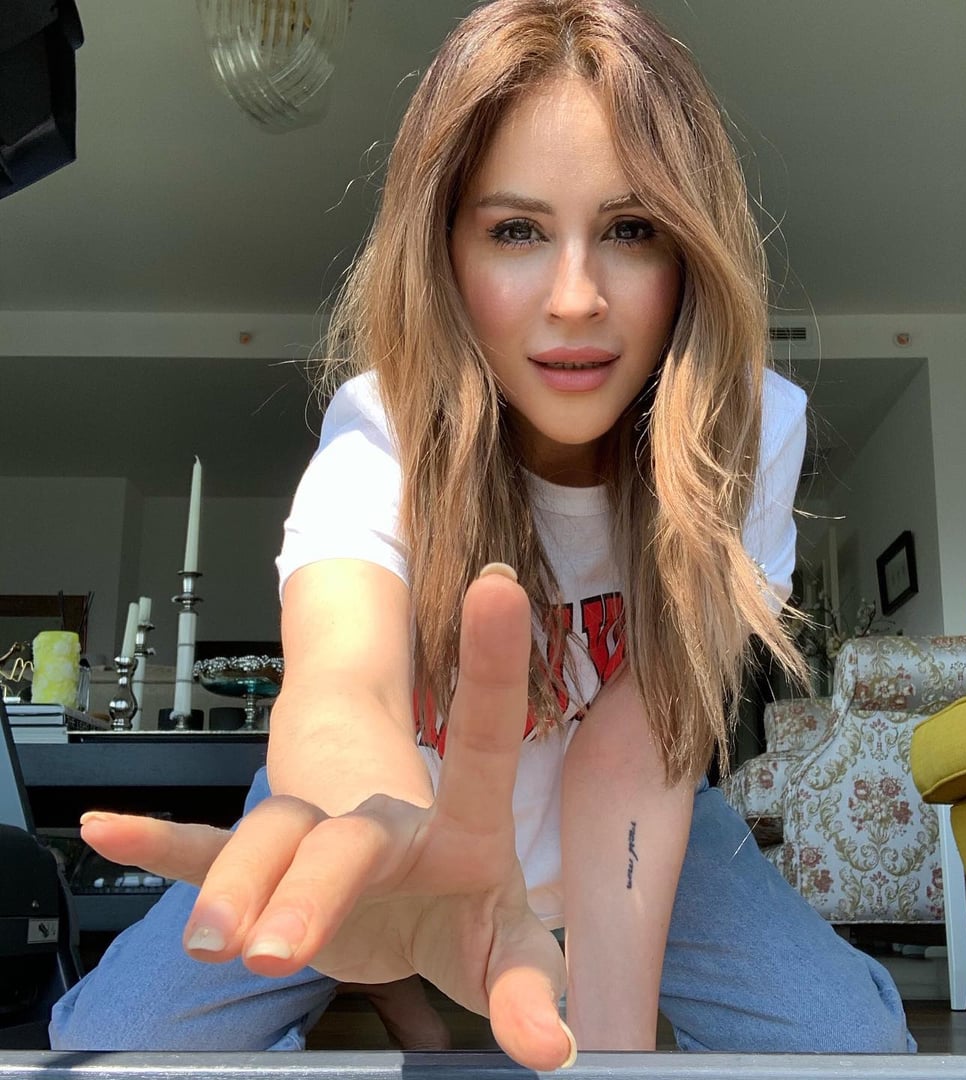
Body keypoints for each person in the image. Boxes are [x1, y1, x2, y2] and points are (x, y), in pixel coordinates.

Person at [50, 0, 915, 1067]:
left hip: (643, 830)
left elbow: (631, 761)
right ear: (446, 251)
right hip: (389, 831)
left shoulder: (747, 432)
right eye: (516, 231)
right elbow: (344, 687)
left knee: (853, 1045)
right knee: (117, 1047)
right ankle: (390, 970)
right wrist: (384, 847)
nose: (575, 299)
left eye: (631, 229)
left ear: (689, 249)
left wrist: (606, 1056)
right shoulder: (383, 433)